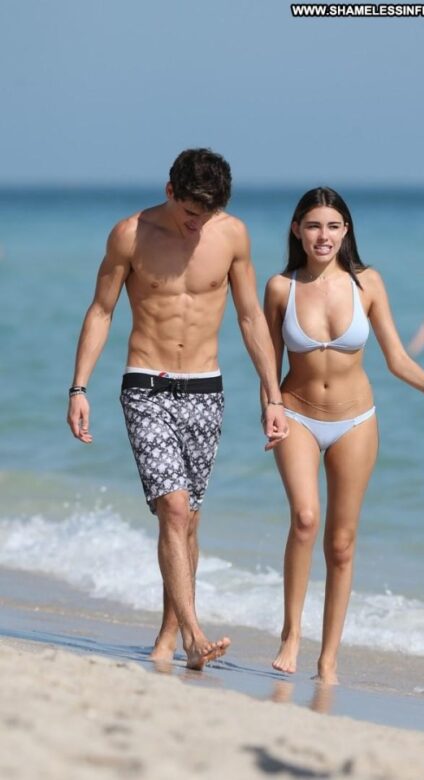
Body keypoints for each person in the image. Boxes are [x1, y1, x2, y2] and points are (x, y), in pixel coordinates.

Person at [67, 148, 288, 670]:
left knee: (188, 520)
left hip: (206, 388)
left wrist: (272, 396)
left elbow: (251, 317)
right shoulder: (130, 235)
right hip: (146, 384)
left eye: (207, 215)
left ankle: (168, 636)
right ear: (170, 192)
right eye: (190, 213)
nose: (197, 226)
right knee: (173, 507)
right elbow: (101, 310)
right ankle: (194, 634)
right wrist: (79, 388)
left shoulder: (232, 235)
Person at [263, 187, 424, 684]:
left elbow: (396, 357)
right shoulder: (280, 287)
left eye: (333, 226)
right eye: (314, 225)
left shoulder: (368, 283)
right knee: (305, 520)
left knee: (341, 543)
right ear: (297, 230)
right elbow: (268, 363)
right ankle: (291, 633)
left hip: (356, 421)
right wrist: (270, 408)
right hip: (296, 415)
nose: (324, 235)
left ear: (346, 231)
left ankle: (328, 659)